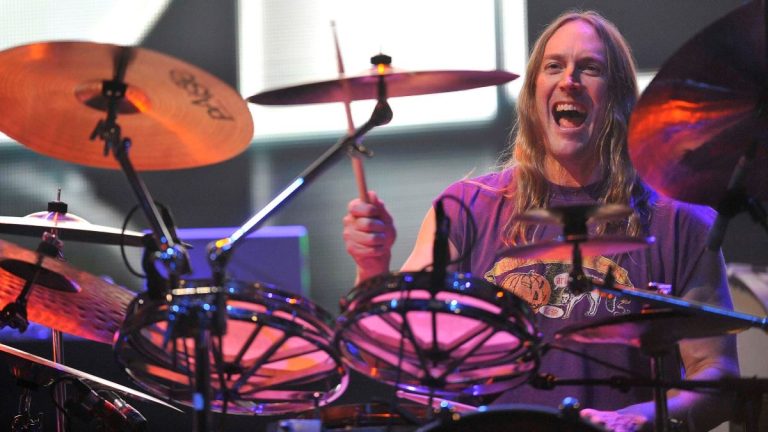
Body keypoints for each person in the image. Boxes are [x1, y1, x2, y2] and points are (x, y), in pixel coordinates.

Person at [342, 10, 739, 432]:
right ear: (533, 95)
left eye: (590, 68)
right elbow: (393, 349)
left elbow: (717, 378)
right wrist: (372, 265)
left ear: (621, 97)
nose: (569, 80)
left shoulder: (681, 224)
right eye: (554, 66)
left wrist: (638, 420)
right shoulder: (464, 209)